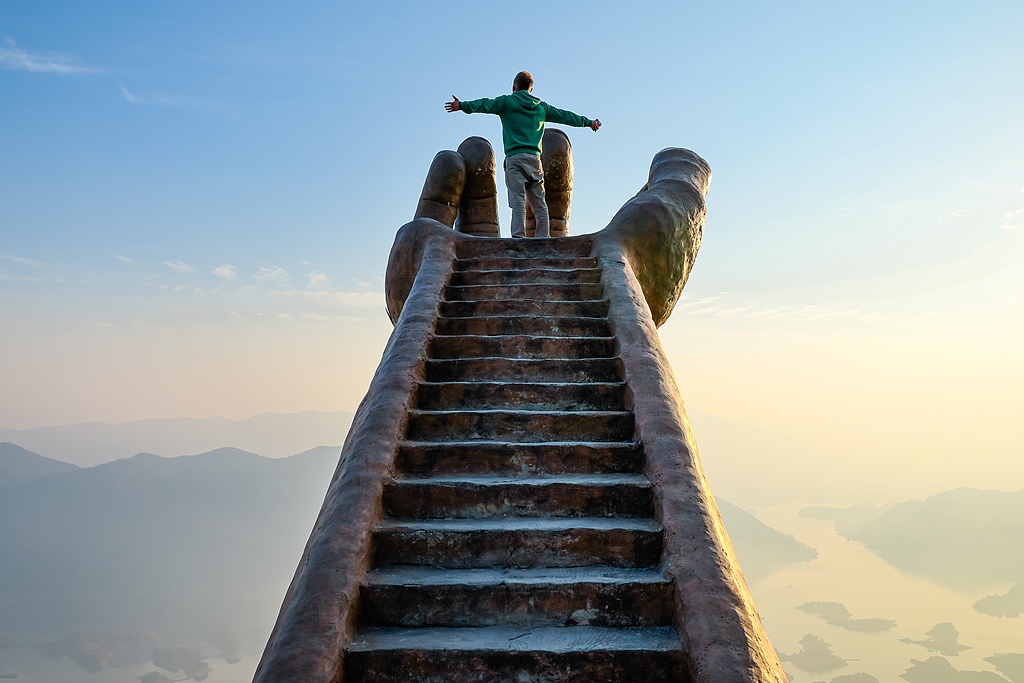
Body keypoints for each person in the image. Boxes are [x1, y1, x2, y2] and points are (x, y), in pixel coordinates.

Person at [445, 71, 601, 238]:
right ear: (530, 89)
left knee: (518, 201)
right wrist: (589, 122)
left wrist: (461, 106)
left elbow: (485, 104)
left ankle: (519, 237)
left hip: (515, 159)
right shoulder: (541, 107)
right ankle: (543, 237)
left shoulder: (507, 102)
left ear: (514, 87)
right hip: (534, 160)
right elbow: (566, 116)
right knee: (540, 203)